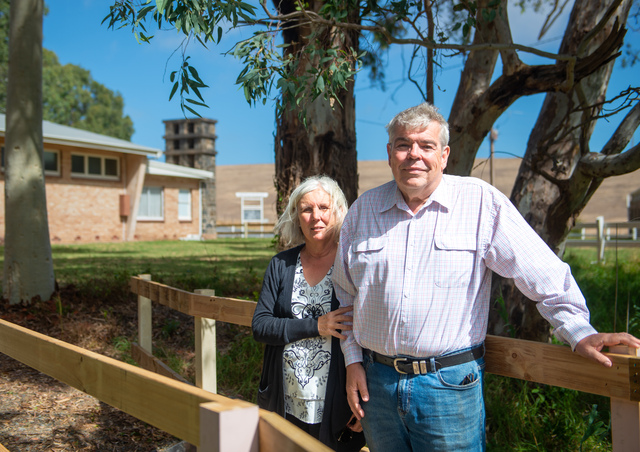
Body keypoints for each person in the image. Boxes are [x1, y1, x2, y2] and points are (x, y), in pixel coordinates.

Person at [331, 102, 640, 452]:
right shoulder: (363, 211)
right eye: (403, 145)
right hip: (376, 384)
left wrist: (579, 331)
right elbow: (346, 295)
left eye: (426, 145)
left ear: (444, 156)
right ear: (390, 153)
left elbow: (542, 271)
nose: (414, 154)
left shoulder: (479, 202)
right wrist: (353, 361)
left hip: (448, 387)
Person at [252, 175, 366, 451]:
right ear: (297, 217)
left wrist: (364, 400)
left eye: (324, 207)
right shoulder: (281, 265)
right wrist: (317, 325)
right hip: (285, 400)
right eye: (307, 209)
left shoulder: (353, 263)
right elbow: (261, 326)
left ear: (338, 212)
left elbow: (369, 334)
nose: (316, 216)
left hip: (337, 404)